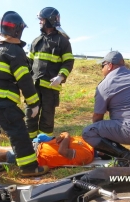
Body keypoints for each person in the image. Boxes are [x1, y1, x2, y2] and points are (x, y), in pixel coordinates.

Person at [0, 11, 49, 177]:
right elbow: (24, 80)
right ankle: (29, 167)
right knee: (17, 129)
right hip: (0, 96)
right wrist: (34, 103)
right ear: (17, 31)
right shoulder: (14, 51)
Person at [27, 7, 74, 139]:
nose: (39, 22)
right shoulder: (36, 41)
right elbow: (28, 64)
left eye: (41, 19)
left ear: (50, 20)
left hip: (51, 88)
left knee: (47, 119)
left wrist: (61, 77)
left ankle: (44, 146)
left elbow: (68, 62)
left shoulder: (63, 41)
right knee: (30, 116)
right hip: (34, 86)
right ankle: (29, 144)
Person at [0, 132, 94, 168]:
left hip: (36, 155)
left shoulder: (87, 155)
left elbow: (63, 151)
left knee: (2, 156)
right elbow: (61, 139)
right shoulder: (84, 141)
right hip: (38, 145)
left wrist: (67, 136)